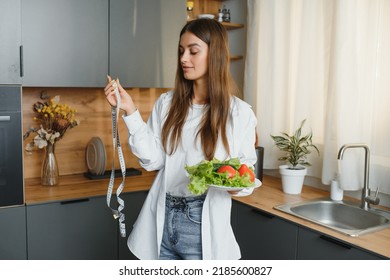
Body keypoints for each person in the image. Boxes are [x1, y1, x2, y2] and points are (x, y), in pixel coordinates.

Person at [104, 18, 257, 260]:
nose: (184, 58)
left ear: (215, 54)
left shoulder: (240, 113)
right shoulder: (167, 103)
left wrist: (238, 186)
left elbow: (246, 170)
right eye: (181, 51)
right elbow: (153, 161)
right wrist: (130, 111)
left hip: (201, 225)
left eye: (193, 51)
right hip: (162, 217)